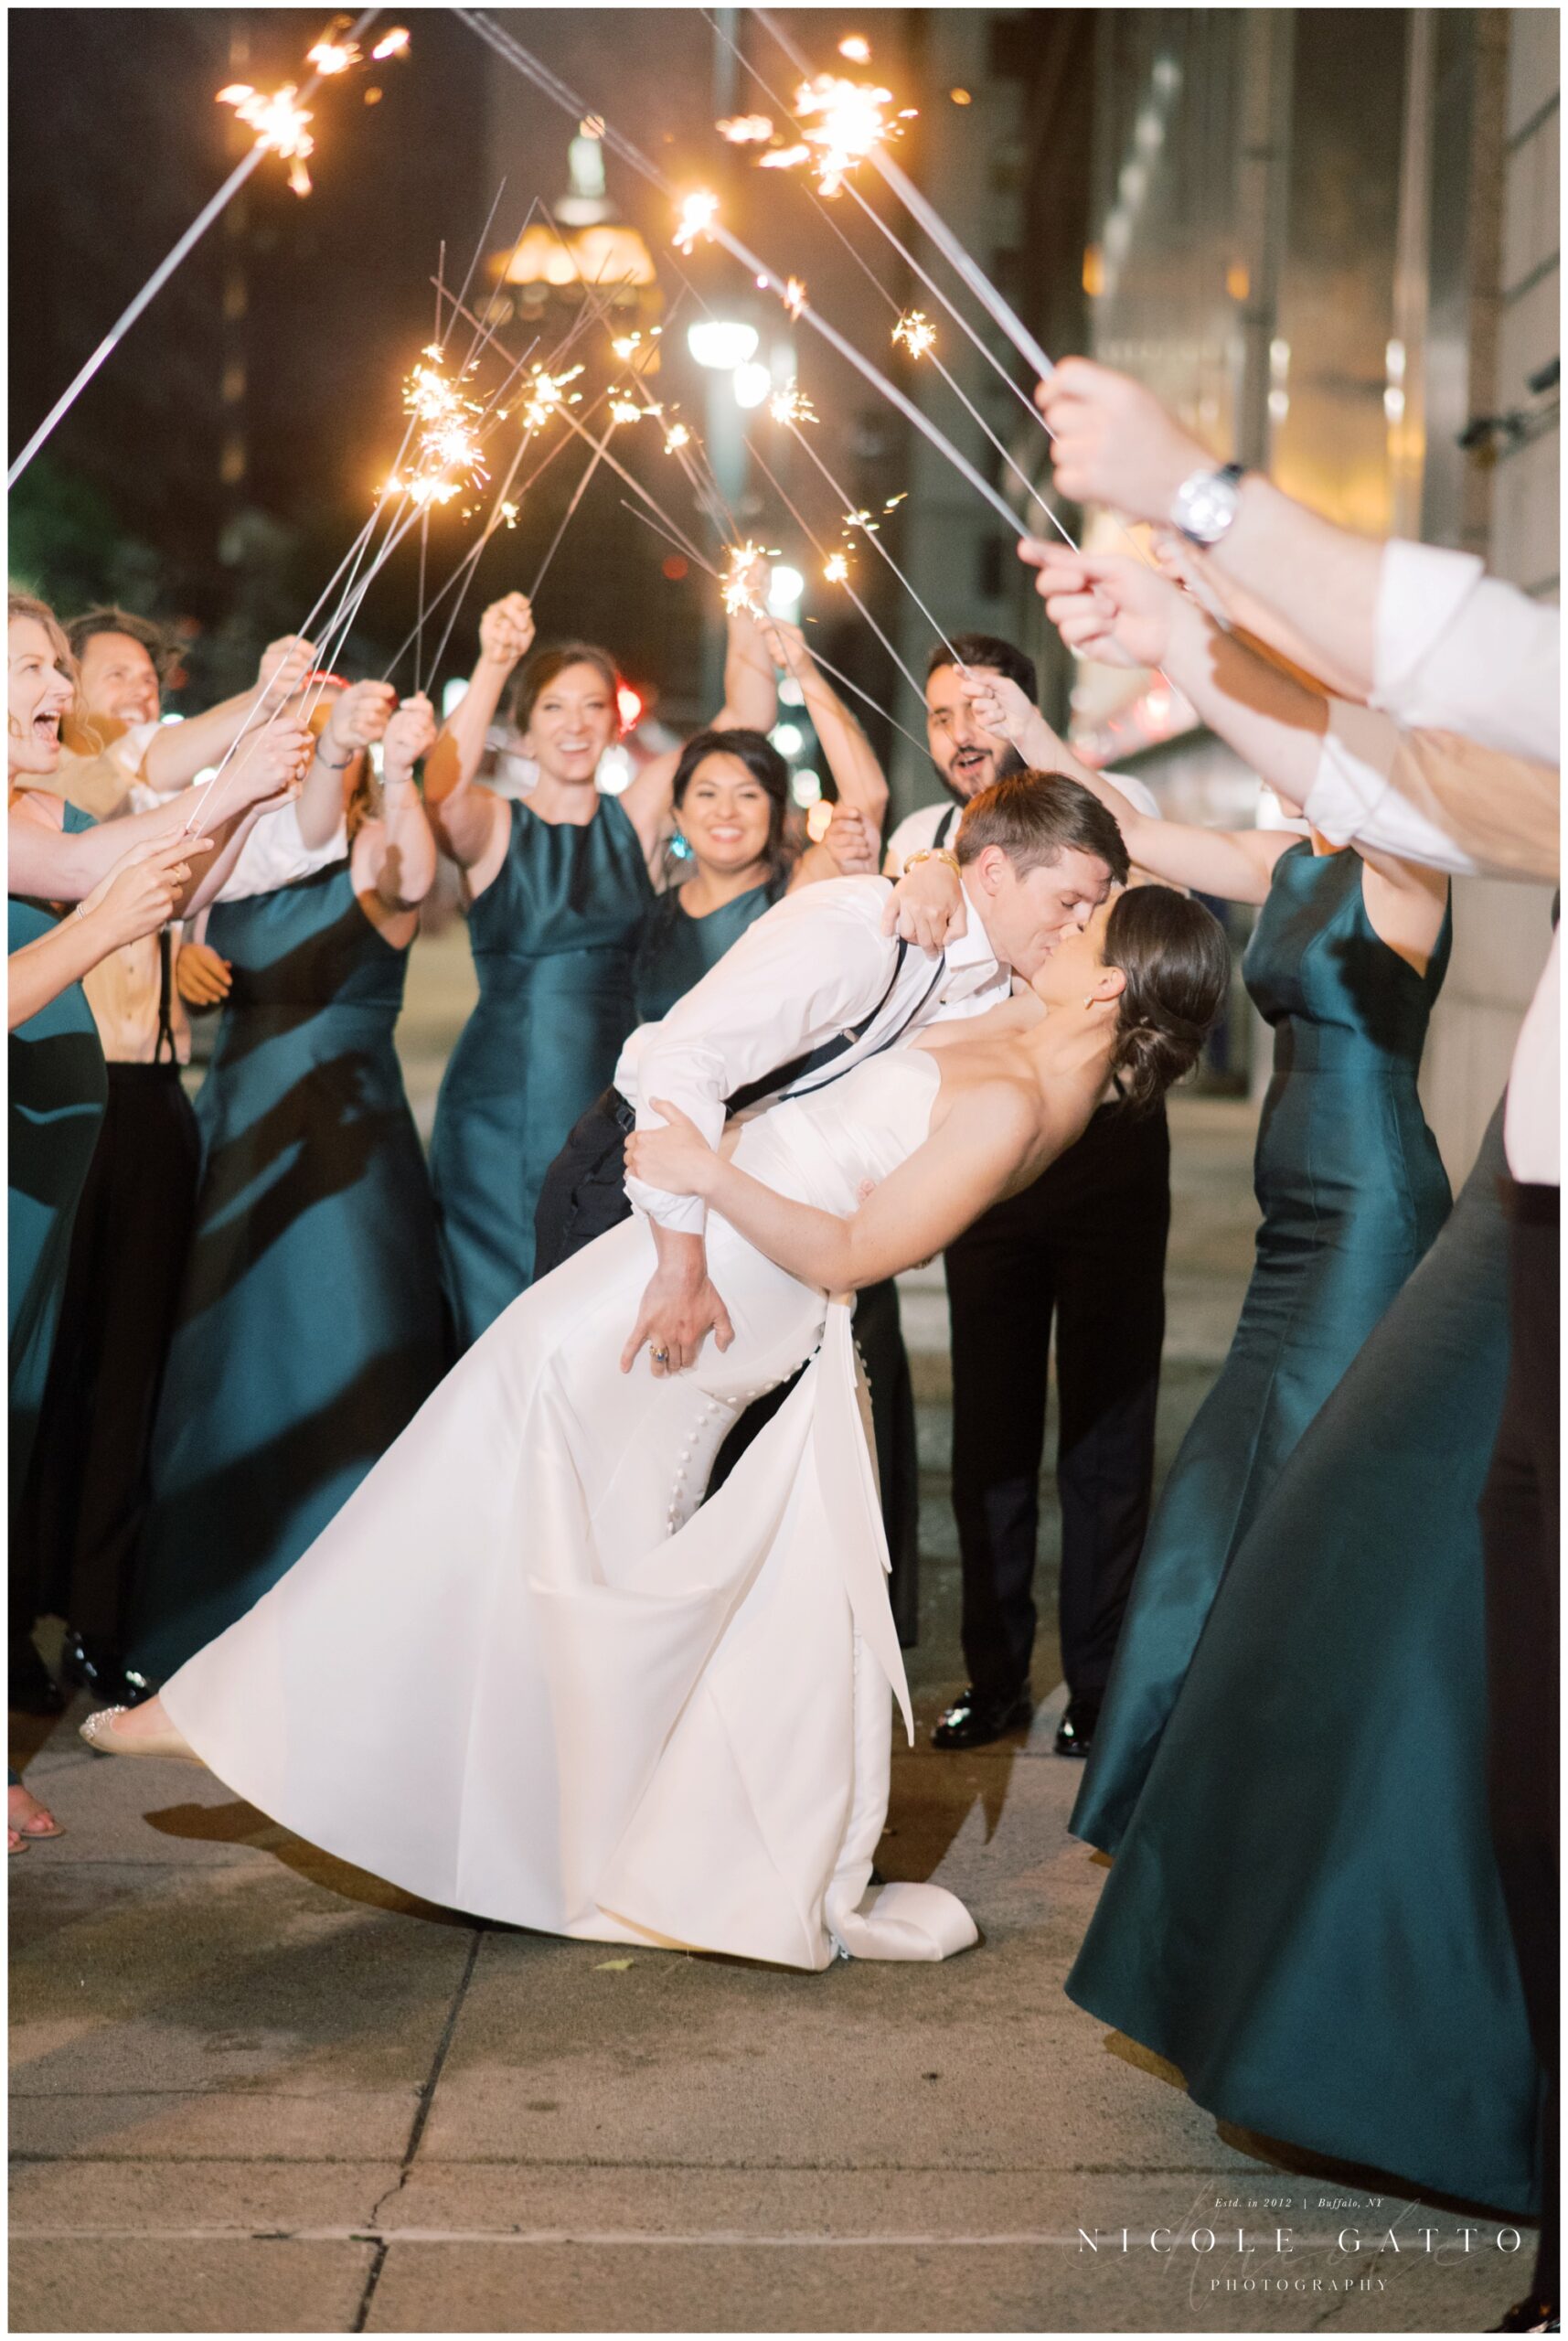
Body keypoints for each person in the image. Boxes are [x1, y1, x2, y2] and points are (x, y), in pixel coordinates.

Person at [80, 788, 1228, 1973]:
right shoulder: (1001, 999)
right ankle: (525, 1791)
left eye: (1090, 922)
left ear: (1104, 987)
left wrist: (700, 1182)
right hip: (702, 1244)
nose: (1068, 924)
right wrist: (925, 861)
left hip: (738, 1272)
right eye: (1072, 902)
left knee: (503, 1446)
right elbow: (927, 919)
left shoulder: (1022, 1098)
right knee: (578, 1517)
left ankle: (272, 1719)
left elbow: (856, 1250)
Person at [1024, 362, 1559, 2326]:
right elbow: (1438, 785)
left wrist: (1203, 500)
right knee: (1402, 1615)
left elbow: (1487, 673)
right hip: (1526, 1198)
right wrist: (1187, 631)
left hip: (1491, 1213)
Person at [896, 608, 1453, 1852]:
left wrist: (1197, 636)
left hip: (1363, 1196)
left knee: (1291, 1470)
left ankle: (1309, 1731)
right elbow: (1126, 830)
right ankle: (1186, 1731)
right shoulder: (1296, 856)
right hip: (1289, 1213)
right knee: (1224, 1483)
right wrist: (1024, 729)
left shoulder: (1407, 866)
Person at [532, 617, 925, 1638]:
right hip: (647, 1166)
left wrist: (798, 671)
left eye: (747, 793)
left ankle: (778, 1617)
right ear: (677, 811)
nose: (723, 809)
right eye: (703, 791)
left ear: (777, 814)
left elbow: (869, 798)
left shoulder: (803, 898)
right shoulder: (647, 902)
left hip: (768, 1176)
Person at [8, 594, 311, 1714]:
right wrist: (223, 784)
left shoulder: (29, 810)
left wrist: (236, 795)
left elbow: (132, 865)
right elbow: (93, 893)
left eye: (55, 665)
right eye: (35, 668)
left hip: (38, 1167)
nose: (58, 687)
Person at [123, 686, 447, 1685]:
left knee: (343, 1354)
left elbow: (411, 878)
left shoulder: (368, 848)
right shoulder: (245, 858)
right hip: (237, 1124)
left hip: (342, 1147)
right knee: (226, 1367)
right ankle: (210, 1601)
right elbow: (170, 914)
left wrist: (387, 768)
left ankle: (361, 1620)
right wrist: (179, 962)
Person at [885, 633, 1173, 1758]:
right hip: (985, 1160)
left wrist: (1050, 759)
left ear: (1026, 711)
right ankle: (994, 1676)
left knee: (1106, 1427)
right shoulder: (926, 839)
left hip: (1107, 1146)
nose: (961, 732)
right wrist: (917, 870)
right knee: (991, 1427)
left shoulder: (1116, 802)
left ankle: (1099, 1683)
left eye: (984, 708)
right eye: (942, 710)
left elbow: (1162, 892)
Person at [425, 593, 777, 1342]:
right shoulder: (492, 825)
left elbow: (747, 718)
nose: (575, 724)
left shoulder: (637, 814)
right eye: (553, 708)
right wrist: (493, 662)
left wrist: (745, 608)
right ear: (522, 732)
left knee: (599, 1299)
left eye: (591, 706)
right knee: (503, 1301)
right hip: (500, 1097)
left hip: (615, 1088)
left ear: (614, 721)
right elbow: (440, 790)